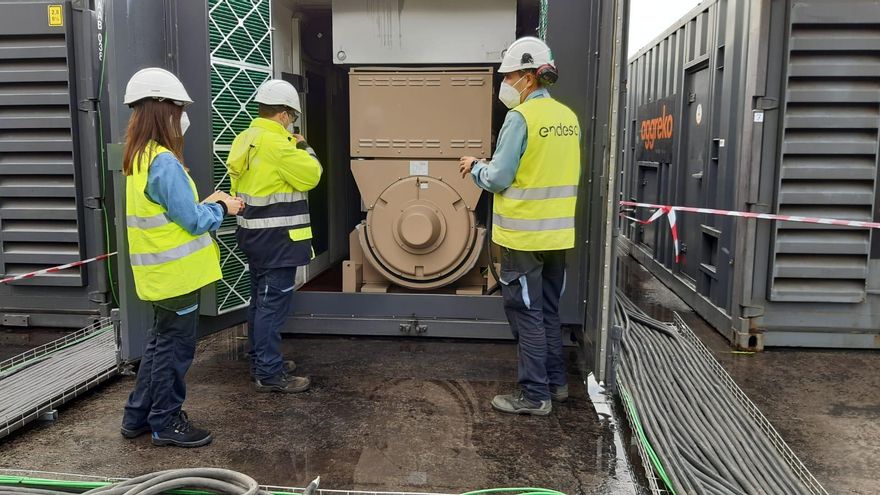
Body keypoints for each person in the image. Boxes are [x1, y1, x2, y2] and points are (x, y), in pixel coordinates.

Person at [119, 67, 243, 447]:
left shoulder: (138, 158)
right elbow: (190, 220)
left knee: (158, 346)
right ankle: (166, 422)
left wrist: (202, 204)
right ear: (163, 111)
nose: (182, 116)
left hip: (158, 278)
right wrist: (225, 208)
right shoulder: (164, 162)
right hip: (178, 278)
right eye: (179, 108)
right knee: (174, 352)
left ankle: (136, 417)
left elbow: (171, 213)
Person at [459, 37, 581, 416]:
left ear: (529, 77)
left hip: (525, 235)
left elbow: (498, 177)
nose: (506, 82)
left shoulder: (521, 118)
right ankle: (556, 384)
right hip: (557, 235)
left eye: (510, 75)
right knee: (547, 309)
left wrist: (474, 166)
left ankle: (533, 395)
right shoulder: (567, 118)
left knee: (526, 313)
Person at [226, 79, 322, 393]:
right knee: (272, 306)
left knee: (260, 302)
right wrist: (304, 146)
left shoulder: (245, 138)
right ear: (283, 114)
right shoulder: (277, 144)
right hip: (279, 238)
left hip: (254, 235)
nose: (291, 123)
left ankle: (261, 360)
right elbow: (312, 175)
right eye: (291, 117)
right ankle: (268, 373)